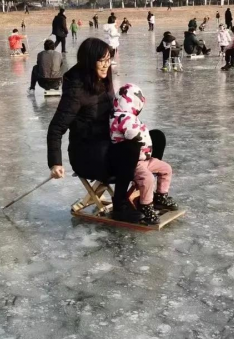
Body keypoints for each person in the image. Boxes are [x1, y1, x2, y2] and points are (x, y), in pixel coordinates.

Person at [48, 37, 163, 223]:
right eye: (101, 60)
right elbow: (56, 128)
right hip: (87, 155)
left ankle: (144, 192)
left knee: (154, 138)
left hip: (108, 145)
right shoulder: (76, 91)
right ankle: (120, 206)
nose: (106, 65)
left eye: (108, 59)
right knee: (131, 147)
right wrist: (55, 163)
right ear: (89, 61)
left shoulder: (103, 79)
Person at [110, 83, 178, 226]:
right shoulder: (119, 117)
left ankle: (161, 195)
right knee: (147, 178)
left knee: (166, 168)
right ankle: (146, 205)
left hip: (145, 158)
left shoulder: (130, 117)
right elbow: (131, 134)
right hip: (132, 161)